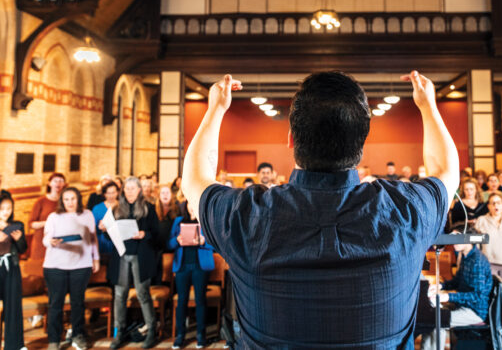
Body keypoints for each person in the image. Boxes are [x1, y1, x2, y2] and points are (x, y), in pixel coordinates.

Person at [182, 71, 459, 347]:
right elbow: (446, 171)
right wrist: (427, 105)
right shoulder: (405, 210)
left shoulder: (247, 217)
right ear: (361, 144)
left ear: (291, 139)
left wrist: (216, 109)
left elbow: (194, 180)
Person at [43, 187, 100, 350]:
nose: (70, 202)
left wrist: (95, 258)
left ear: (78, 199)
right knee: (55, 304)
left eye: (73, 199)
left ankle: (77, 335)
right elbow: (46, 237)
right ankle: (54, 339)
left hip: (81, 264)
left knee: (78, 303)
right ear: (62, 201)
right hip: (55, 265)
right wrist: (51, 242)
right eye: (66, 199)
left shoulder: (87, 215)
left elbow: (93, 237)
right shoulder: (54, 216)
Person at [420, 226, 493, 349]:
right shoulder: (465, 256)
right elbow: (457, 281)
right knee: (430, 317)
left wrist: (448, 296)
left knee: (439, 321)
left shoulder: (477, 261)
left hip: (475, 311)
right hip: (463, 304)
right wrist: (440, 286)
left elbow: (477, 295)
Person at [109, 177, 159, 349]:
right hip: (122, 255)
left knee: (142, 293)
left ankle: (151, 330)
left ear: (139, 190)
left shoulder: (148, 208)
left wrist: (144, 234)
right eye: (127, 188)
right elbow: (111, 234)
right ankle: (119, 332)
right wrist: (105, 227)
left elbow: (157, 233)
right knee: (119, 295)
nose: (129, 191)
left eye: (133, 188)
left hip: (140, 255)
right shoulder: (116, 209)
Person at [168, 201, 215, 349]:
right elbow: (169, 244)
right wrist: (176, 240)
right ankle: (180, 335)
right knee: (182, 300)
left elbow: (215, 243)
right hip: (182, 266)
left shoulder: (206, 220)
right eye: (189, 203)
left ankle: (201, 334)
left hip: (199, 266)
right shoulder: (178, 221)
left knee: (200, 300)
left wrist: (203, 241)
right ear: (186, 206)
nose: (191, 206)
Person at [0, 192, 28, 350]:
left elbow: (23, 249)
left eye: (8, 208)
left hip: (11, 266)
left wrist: (18, 240)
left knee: (13, 306)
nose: (6, 211)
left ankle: (14, 345)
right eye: (2, 208)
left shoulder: (17, 225)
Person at [29, 172, 66, 261]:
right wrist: (48, 222)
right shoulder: (41, 201)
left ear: (64, 184)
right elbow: (31, 224)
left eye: (61, 181)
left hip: (60, 242)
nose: (58, 183)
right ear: (49, 183)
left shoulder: (65, 201)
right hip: (41, 242)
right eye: (55, 181)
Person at [92, 181, 120, 255]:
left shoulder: (123, 206)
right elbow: (93, 229)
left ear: (117, 192)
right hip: (103, 244)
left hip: (119, 243)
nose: (111, 196)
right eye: (108, 193)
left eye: (113, 192)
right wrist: (99, 227)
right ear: (104, 194)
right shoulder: (97, 208)